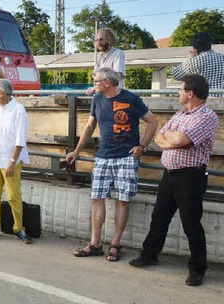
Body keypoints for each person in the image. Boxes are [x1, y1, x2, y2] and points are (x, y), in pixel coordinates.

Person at [129, 75, 219, 286]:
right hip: (169, 174)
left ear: (190, 93)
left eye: (180, 89)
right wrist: (172, 140)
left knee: (191, 224)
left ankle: (198, 269)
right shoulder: (181, 113)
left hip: (190, 177)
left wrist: (173, 139)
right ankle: (149, 254)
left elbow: (181, 139)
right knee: (159, 217)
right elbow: (160, 136)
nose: (178, 92)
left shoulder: (207, 116)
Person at [66, 67, 157, 261]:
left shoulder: (131, 99)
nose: (93, 84)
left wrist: (142, 146)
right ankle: (95, 243)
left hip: (126, 157)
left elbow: (152, 121)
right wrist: (76, 151)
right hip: (104, 156)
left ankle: (115, 244)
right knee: (96, 197)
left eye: (96, 81)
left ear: (107, 83)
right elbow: (90, 126)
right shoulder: (97, 99)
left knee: (123, 200)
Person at [0, 79, 32, 244]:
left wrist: (12, 162)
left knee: (13, 195)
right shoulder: (0, 109)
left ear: (2, 93)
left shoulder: (18, 110)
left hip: (10, 160)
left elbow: (20, 141)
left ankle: (19, 228)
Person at [171, 32, 224, 98]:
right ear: (210, 43)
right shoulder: (222, 57)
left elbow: (175, 74)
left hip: (203, 101)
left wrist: (190, 57)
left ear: (194, 47)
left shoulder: (194, 61)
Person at [86, 28, 126, 95]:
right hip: (103, 96)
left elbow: (118, 75)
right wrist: (95, 87)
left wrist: (100, 80)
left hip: (116, 96)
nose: (98, 43)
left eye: (101, 39)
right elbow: (95, 76)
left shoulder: (118, 53)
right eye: (96, 40)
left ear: (109, 39)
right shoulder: (98, 57)